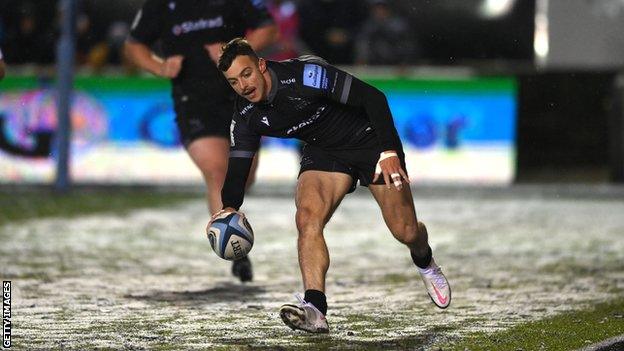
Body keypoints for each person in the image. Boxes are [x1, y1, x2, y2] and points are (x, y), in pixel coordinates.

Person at [211, 38, 451, 333]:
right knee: (307, 218)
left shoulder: (304, 77)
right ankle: (314, 309)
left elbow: (373, 98)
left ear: (261, 65)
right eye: (234, 82)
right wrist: (228, 208)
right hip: (324, 151)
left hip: (369, 142)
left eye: (246, 74)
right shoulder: (245, 115)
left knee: (406, 231)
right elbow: (238, 169)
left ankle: (425, 260)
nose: (243, 86)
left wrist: (389, 152)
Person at [125, 0, 278, 282]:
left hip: (239, 96)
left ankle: (231, 222)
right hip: (192, 102)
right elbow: (133, 46)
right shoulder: (159, 6)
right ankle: (235, 248)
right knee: (217, 171)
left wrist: (232, 52)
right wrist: (159, 67)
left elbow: (268, 29)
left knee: (243, 176)